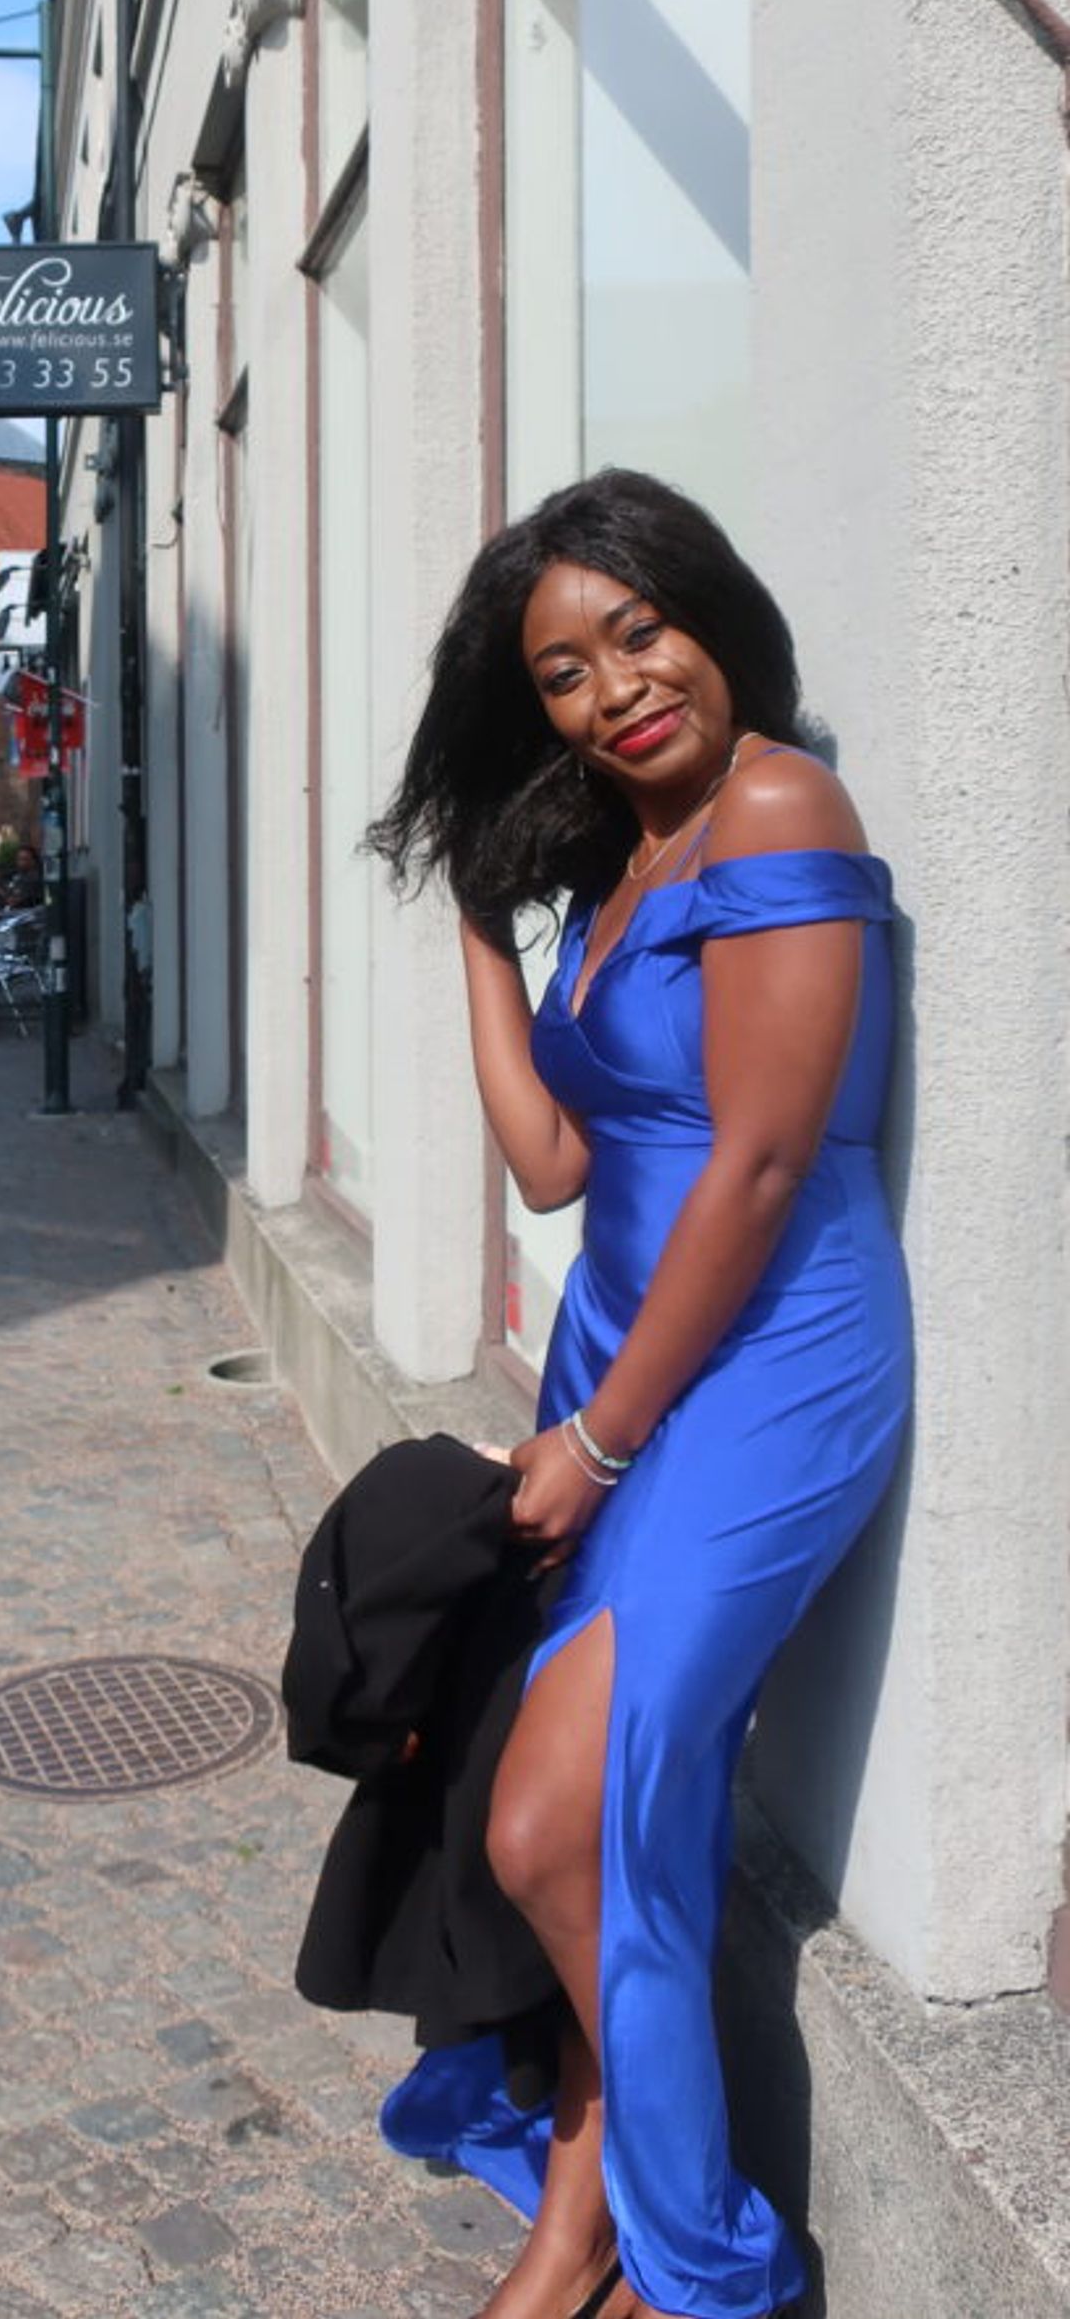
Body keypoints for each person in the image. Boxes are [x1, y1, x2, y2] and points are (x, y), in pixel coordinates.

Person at [367, 469, 910, 2319]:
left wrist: (596, 1448)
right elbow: (546, 1158)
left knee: (548, 1822)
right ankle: (600, 2201)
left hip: (763, 1363)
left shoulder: (776, 802)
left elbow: (758, 1165)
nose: (617, 688)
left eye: (638, 630)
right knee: (597, 1822)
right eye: (566, 673)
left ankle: (691, 2256)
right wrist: (473, 923)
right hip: (622, 1351)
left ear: (712, 608)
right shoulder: (619, 875)